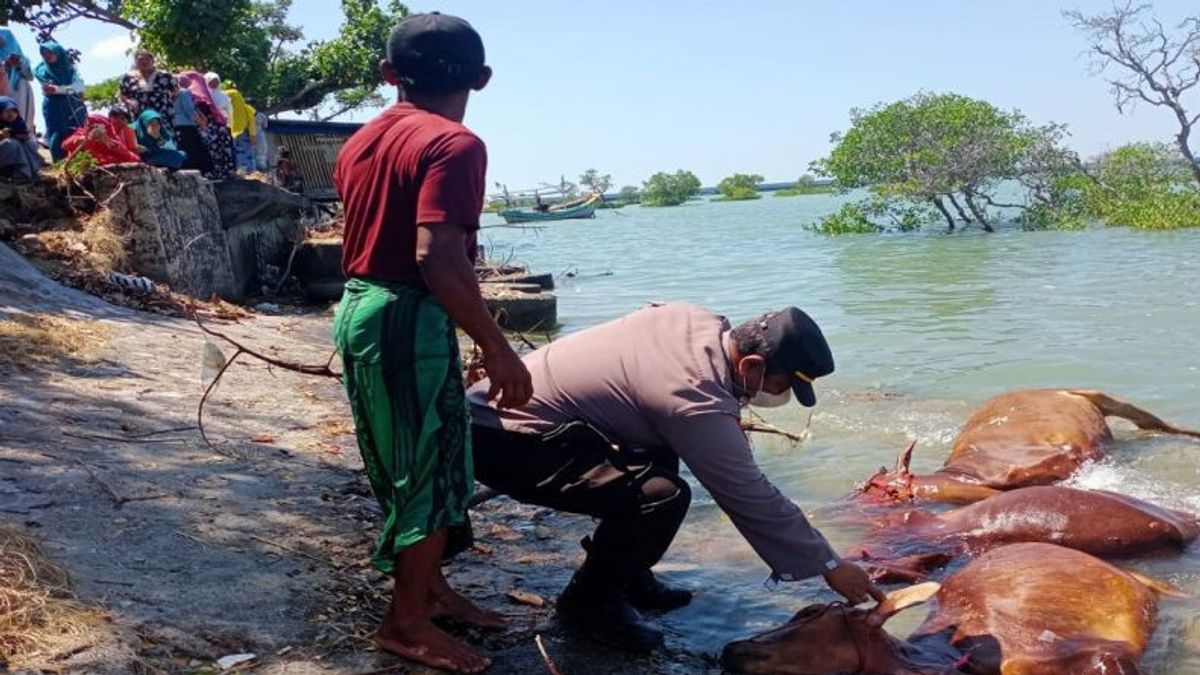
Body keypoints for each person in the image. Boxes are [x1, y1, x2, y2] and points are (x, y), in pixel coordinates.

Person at [468, 304, 887, 653]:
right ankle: (589, 607)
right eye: (780, 386)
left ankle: (630, 575)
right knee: (660, 498)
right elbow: (748, 495)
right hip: (503, 439)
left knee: (661, 449)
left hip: (508, 416)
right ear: (752, 363)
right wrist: (829, 563)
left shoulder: (698, 322)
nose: (778, 398)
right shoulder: (692, 396)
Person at [331, 13, 531, 674]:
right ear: (482, 78)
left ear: (390, 76)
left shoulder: (359, 143)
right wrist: (497, 346)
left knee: (397, 461)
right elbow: (438, 255)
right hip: (409, 314)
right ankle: (406, 621)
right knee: (434, 466)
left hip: (360, 306)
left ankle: (432, 592)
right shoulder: (455, 144)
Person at [34, 41, 85, 161]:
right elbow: (47, 88)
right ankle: (59, 163)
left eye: (50, 52)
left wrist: (59, 89)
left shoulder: (71, 69)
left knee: (75, 132)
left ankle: (78, 163)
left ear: (58, 53)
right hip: (53, 106)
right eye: (44, 53)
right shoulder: (41, 70)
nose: (47, 55)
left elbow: (79, 86)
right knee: (56, 133)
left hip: (72, 106)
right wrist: (61, 89)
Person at [119, 50, 177, 133]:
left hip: (163, 115)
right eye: (140, 59)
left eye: (147, 59)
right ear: (135, 62)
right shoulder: (128, 78)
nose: (144, 62)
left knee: (167, 140)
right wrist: (129, 102)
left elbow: (176, 91)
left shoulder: (164, 75)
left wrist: (169, 103)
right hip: (140, 115)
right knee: (145, 141)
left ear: (152, 61)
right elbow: (122, 95)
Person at [61, 114, 141, 166]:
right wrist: (85, 140)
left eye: (100, 127)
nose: (97, 130)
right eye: (92, 126)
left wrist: (113, 145)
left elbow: (134, 158)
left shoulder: (113, 138)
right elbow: (65, 145)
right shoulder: (82, 133)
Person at [0, 28, 37, 137]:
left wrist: (19, 63)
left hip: (20, 91)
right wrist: (4, 64)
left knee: (20, 116)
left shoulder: (21, 58)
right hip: (2, 91)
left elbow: (30, 76)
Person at [172, 73, 211, 174]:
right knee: (193, 151)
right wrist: (201, 123)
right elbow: (189, 109)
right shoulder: (184, 92)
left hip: (175, 126)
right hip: (187, 126)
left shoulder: (170, 93)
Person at [0, 96, 43, 179]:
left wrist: (16, 136)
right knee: (11, 144)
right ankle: (6, 171)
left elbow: (24, 135)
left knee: (29, 144)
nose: (11, 114)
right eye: (6, 111)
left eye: (14, 111)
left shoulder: (18, 122)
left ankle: (28, 173)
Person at [193, 100, 235, 179]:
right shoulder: (197, 128)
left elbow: (211, 145)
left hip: (221, 168)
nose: (197, 118)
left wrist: (204, 128)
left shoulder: (220, 129)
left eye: (200, 116)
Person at [224, 86, 256, 172]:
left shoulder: (226, 110)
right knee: (244, 153)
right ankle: (246, 171)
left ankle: (242, 171)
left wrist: (252, 135)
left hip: (236, 133)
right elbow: (251, 122)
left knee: (238, 153)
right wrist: (252, 135)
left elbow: (251, 122)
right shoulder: (245, 108)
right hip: (242, 133)